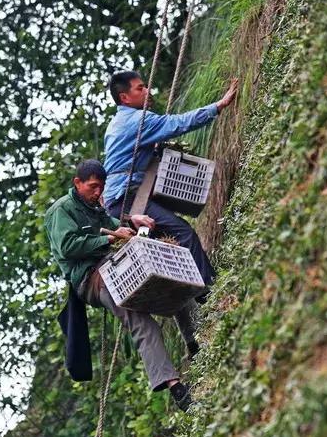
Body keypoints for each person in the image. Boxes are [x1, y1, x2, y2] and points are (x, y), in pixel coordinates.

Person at [44, 159, 195, 411]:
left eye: (101, 187)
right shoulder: (62, 210)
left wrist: (130, 222)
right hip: (93, 278)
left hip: (115, 264)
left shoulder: (95, 206)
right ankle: (176, 389)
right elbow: (68, 247)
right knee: (140, 321)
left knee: (171, 281)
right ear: (77, 183)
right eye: (93, 186)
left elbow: (113, 224)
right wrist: (110, 238)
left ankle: (195, 343)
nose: (98, 192)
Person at [101, 71, 238, 294]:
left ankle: (199, 298)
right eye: (140, 88)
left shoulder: (116, 122)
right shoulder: (139, 120)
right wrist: (218, 106)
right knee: (183, 233)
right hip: (127, 198)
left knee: (163, 250)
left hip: (118, 199)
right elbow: (178, 124)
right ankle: (212, 292)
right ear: (124, 97)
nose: (147, 91)